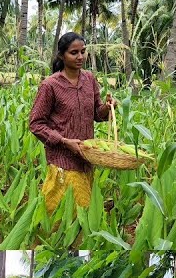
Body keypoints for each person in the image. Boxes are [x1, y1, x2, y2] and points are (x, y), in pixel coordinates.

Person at [28, 32, 115, 212]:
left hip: (86, 157)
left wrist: (107, 108)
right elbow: (36, 123)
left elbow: (97, 113)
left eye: (83, 51)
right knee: (60, 214)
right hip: (63, 161)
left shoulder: (89, 79)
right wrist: (64, 142)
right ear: (61, 55)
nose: (80, 57)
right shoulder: (50, 85)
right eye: (74, 53)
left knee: (83, 213)